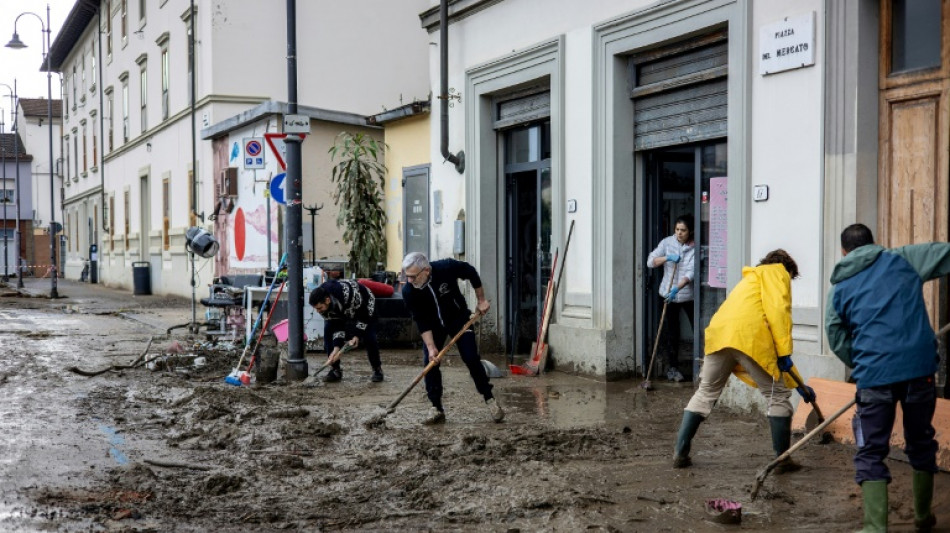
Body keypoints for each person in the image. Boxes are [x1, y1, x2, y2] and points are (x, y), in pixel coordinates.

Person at [825, 223, 950, 532]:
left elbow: (835, 333)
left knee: (871, 450)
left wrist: (864, 362)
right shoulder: (904, 258)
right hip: (919, 370)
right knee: (921, 441)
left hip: (875, 376)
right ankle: (923, 518)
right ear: (874, 244)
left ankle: (875, 528)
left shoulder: (840, 287)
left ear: (844, 251)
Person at [672, 249, 815, 472]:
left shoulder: (750, 280)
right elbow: (778, 312)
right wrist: (786, 352)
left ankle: (680, 453)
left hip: (720, 335)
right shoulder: (777, 273)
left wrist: (799, 384)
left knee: (706, 391)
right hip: (749, 337)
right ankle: (782, 460)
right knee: (777, 395)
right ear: (787, 269)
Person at [401, 252, 504, 425]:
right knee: (430, 361)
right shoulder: (409, 291)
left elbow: (470, 272)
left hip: (458, 319)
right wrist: (431, 346)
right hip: (433, 327)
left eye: (413, 276)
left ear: (426, 270)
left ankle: (490, 399)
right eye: (407, 276)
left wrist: (481, 300)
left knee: (471, 357)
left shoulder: (446, 267)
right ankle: (436, 408)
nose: (409, 280)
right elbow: (421, 320)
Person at [646, 214, 696, 382]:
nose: (679, 233)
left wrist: (678, 288)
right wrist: (667, 257)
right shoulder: (667, 243)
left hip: (687, 295)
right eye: (677, 229)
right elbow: (650, 261)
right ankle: (672, 368)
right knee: (671, 332)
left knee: (698, 330)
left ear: (690, 231)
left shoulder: (694, 247)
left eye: (683, 230)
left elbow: (690, 273)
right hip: (667, 294)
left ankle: (702, 366)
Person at [308, 278, 383, 383]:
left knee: (369, 336)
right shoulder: (323, 306)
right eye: (316, 309)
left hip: (364, 306)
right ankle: (335, 369)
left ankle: (377, 369)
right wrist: (336, 349)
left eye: (319, 308)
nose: (318, 311)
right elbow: (337, 325)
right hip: (343, 309)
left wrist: (356, 335)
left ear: (327, 300)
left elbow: (364, 316)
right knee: (328, 332)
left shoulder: (349, 294)